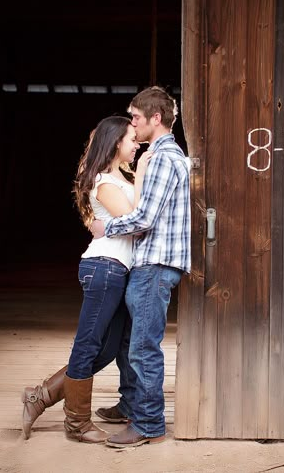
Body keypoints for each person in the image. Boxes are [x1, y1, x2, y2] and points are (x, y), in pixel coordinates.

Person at [21, 115, 152, 443]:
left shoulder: (119, 177)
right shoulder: (105, 182)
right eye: (131, 140)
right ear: (115, 143)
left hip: (118, 270)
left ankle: (39, 397)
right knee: (88, 344)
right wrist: (143, 176)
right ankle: (76, 424)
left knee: (106, 349)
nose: (136, 145)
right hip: (104, 267)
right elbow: (135, 220)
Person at [91, 86, 191, 448]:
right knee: (132, 343)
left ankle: (149, 424)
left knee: (144, 347)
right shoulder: (159, 157)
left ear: (156, 118)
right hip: (149, 263)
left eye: (135, 117)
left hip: (155, 264)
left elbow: (145, 217)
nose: (131, 124)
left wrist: (107, 228)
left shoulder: (164, 158)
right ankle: (131, 404)